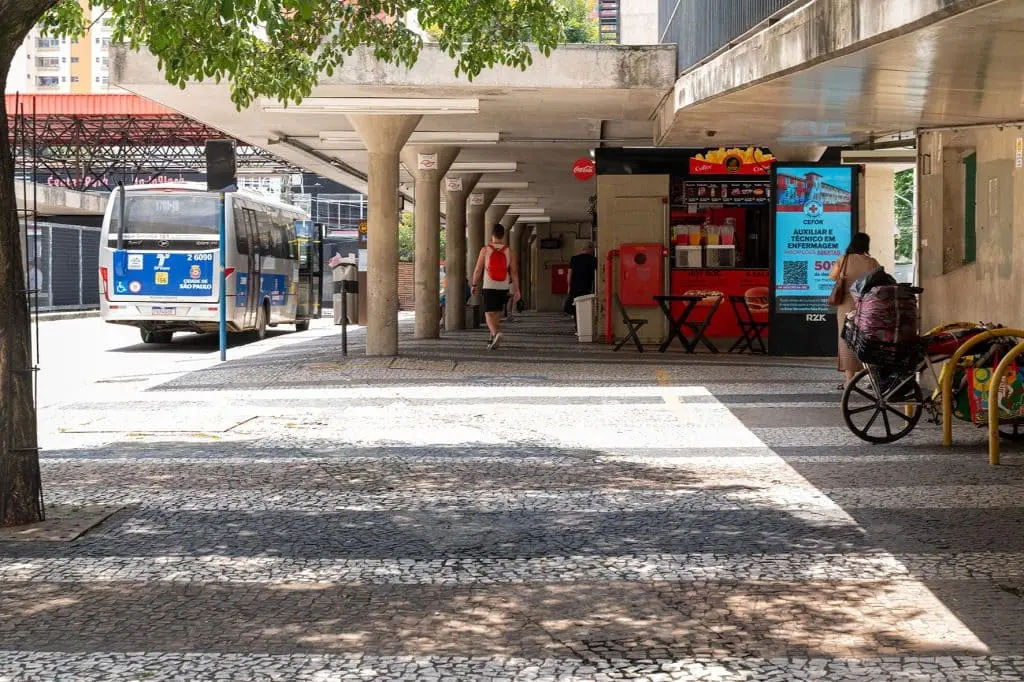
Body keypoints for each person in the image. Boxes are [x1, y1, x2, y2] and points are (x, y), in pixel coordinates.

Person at [830, 232, 881, 389]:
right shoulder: (872, 262)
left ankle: (849, 381)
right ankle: (874, 378)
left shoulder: (843, 260)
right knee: (869, 339)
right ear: (866, 245)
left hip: (846, 305)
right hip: (867, 306)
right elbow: (880, 281)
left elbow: (832, 276)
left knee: (847, 340)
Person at [472, 223, 521, 350]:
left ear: (492, 234)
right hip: (503, 285)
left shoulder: (485, 250)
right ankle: (493, 338)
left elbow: (478, 270)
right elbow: (514, 272)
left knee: (488, 313)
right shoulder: (509, 251)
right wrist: (517, 289)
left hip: (489, 285)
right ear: (503, 235)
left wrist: (474, 284)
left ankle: (496, 333)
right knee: (497, 312)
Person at [566, 243, 597, 320]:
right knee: (585, 307)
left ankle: (577, 326)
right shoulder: (593, 259)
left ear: (582, 249)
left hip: (574, 287)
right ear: (591, 250)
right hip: (586, 287)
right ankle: (585, 324)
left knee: (574, 306)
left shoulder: (574, 258)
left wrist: (569, 286)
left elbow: (569, 273)